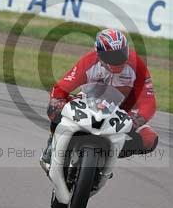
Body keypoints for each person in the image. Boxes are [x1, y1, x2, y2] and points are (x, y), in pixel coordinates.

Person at [40, 28, 159, 171]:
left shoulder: (137, 65)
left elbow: (149, 101)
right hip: (88, 103)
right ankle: (52, 143)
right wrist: (59, 101)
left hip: (121, 112)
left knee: (149, 139)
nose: (119, 60)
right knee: (54, 108)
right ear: (100, 55)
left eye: (122, 53)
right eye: (113, 56)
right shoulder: (89, 61)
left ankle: (107, 154)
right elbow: (61, 88)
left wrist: (136, 119)